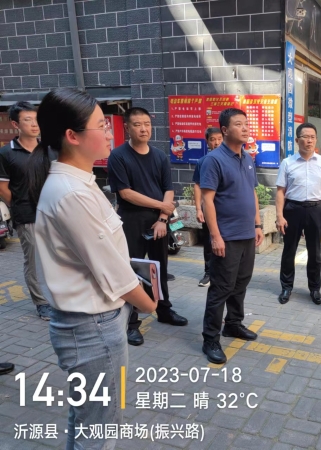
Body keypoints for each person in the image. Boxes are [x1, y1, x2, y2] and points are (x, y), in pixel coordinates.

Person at [27, 88, 156, 450]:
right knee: (100, 430)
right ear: (72, 136)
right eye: (102, 125)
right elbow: (113, 272)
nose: (111, 131)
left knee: (87, 422)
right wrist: (150, 304)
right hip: (92, 329)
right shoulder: (73, 193)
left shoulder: (79, 182)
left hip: (89, 324)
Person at [108, 107, 188, 347]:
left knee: (159, 267)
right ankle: (131, 323)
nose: (143, 129)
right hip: (131, 220)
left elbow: (168, 188)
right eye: (137, 124)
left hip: (158, 222)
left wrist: (162, 218)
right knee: (132, 271)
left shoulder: (160, 156)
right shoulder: (118, 156)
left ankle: (164, 309)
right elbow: (126, 193)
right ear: (127, 128)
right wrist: (163, 206)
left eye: (147, 124)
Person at [200, 108, 264, 364]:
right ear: (225, 130)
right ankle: (210, 339)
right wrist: (215, 236)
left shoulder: (246, 157)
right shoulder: (214, 160)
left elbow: (252, 192)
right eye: (239, 124)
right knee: (221, 288)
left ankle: (234, 324)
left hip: (247, 234)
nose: (245, 128)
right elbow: (207, 200)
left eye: (246, 124)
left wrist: (257, 224)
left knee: (241, 283)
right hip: (226, 236)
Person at [0, 102, 56, 320]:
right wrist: (20, 205)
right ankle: (41, 302)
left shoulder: (49, 149)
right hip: (27, 215)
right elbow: (3, 188)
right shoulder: (6, 153)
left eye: (36, 119)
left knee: (56, 256)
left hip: (53, 213)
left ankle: (58, 297)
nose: (34, 124)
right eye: (27, 120)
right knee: (34, 260)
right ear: (16, 124)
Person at [275, 123, 321, 305]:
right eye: (305, 137)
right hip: (292, 209)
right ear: (297, 140)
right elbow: (280, 191)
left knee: (315, 252)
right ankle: (286, 287)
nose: (309, 140)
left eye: (312, 137)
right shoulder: (287, 163)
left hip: (315, 210)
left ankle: (315, 288)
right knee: (289, 250)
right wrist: (279, 216)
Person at [193, 127, 223, 287]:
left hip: (226, 210)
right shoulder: (203, 161)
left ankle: (224, 274)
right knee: (209, 241)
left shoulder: (231, 159)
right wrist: (199, 208)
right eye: (213, 139)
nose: (216, 142)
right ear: (207, 142)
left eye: (219, 139)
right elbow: (197, 185)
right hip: (209, 210)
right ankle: (208, 273)